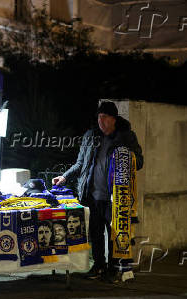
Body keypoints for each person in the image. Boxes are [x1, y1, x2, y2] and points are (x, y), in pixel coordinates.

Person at [52, 101, 143, 280]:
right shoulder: (90, 136)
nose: (101, 121)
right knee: (95, 233)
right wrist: (65, 176)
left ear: (114, 119)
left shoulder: (126, 137)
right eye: (99, 117)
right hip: (92, 194)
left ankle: (113, 269)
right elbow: (80, 163)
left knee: (114, 234)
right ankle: (98, 266)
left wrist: (127, 157)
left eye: (105, 117)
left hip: (114, 198)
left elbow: (139, 162)